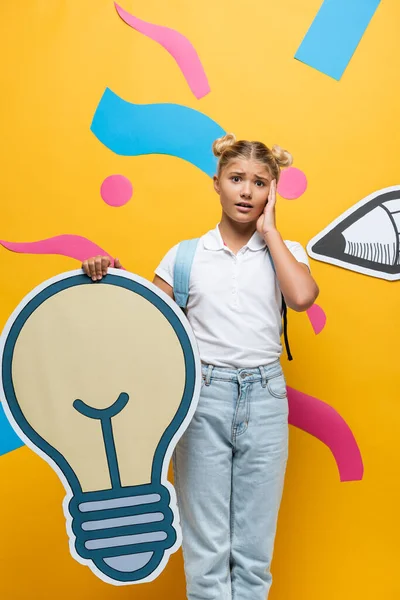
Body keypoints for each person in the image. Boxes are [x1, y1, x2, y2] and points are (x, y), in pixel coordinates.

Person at [82, 133, 319, 599]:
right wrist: (110, 278)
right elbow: (146, 325)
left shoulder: (284, 251)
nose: (247, 191)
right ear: (217, 183)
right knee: (207, 552)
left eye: (260, 182)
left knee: (253, 555)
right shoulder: (186, 256)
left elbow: (303, 297)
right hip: (203, 397)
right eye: (237, 179)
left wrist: (271, 233)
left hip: (267, 399)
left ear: (273, 192)